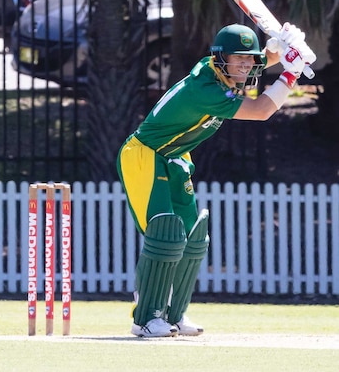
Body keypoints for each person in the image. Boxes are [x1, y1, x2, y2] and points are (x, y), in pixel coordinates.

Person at [117, 23, 315, 338]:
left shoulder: (224, 70)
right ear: (220, 58)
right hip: (145, 155)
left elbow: (264, 59)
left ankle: (174, 314)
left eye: (249, 60)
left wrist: (280, 45)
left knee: (192, 239)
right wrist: (291, 75)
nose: (247, 66)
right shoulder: (206, 89)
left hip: (176, 156)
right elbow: (260, 110)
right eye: (240, 60)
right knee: (164, 235)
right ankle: (145, 318)